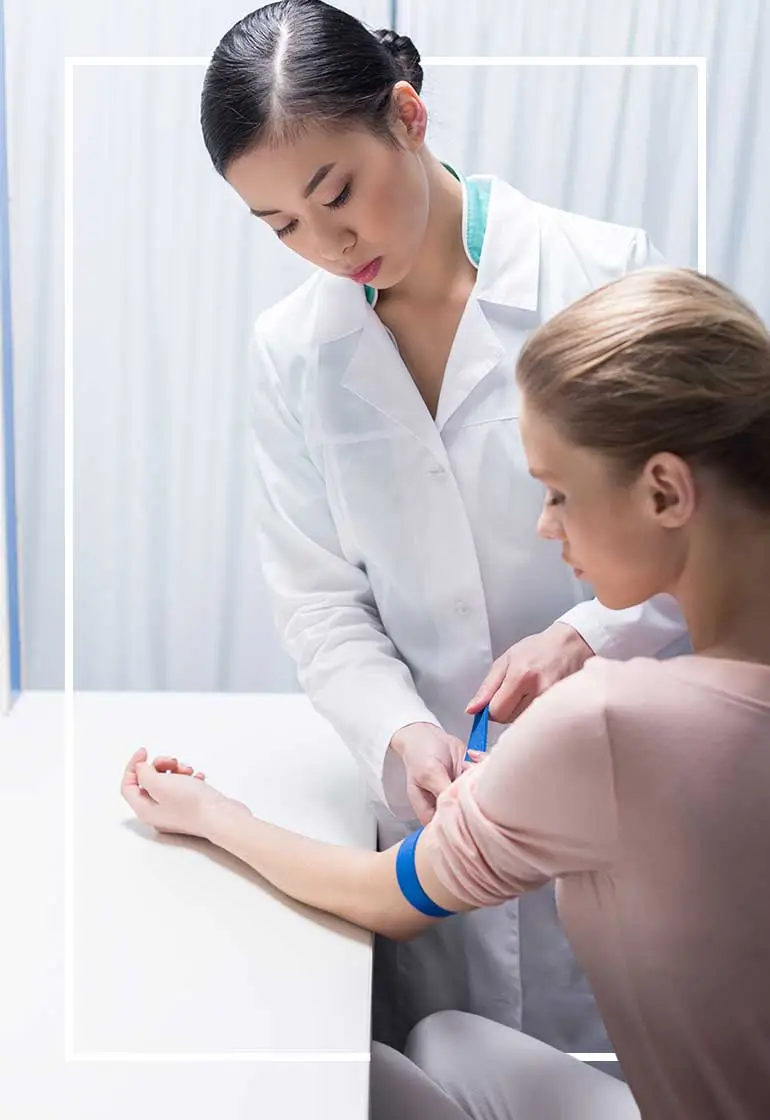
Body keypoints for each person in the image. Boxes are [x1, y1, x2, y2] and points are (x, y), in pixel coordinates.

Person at [123, 266, 770, 1118]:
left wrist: (212, 815)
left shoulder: (611, 721)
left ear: (664, 491)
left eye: (557, 493)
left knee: (343, 1077)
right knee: (448, 1042)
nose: (545, 524)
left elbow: (389, 898)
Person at [198, 0, 688, 1051]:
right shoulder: (291, 352)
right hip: (439, 825)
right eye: (281, 226)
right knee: (449, 1067)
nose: (327, 245)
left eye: (336, 193)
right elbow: (319, 601)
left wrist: (586, 636)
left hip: (622, 796)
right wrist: (398, 731)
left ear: (408, 117)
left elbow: (718, 527)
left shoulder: (600, 274)